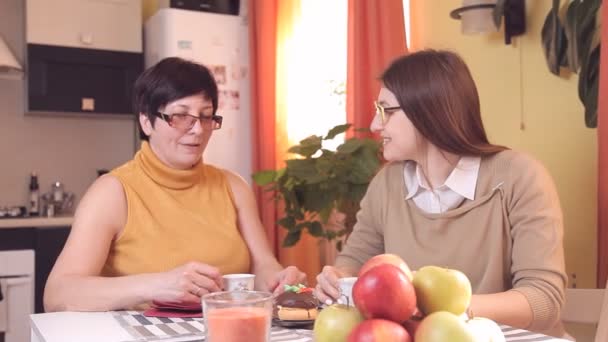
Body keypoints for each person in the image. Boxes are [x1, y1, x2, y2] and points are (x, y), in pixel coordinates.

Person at [314, 50, 567, 337]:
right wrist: (337, 279)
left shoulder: (519, 177)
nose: (374, 124)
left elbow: (544, 300)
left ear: (427, 110)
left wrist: (437, 312)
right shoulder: (386, 184)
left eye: (386, 109)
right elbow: (353, 264)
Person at [44, 57, 306, 312]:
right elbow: (58, 294)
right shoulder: (113, 192)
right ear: (146, 121)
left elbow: (263, 267)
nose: (197, 130)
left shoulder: (233, 186)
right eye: (181, 116)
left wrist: (279, 281)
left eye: (205, 116)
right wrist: (155, 284)